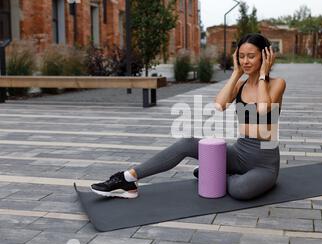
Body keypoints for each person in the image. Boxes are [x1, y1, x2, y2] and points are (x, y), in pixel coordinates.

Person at [91, 33, 286, 200]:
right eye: (241, 56)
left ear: (265, 56)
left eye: (251, 56)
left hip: (264, 164)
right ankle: (128, 178)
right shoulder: (240, 85)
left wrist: (262, 75)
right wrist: (235, 73)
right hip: (239, 153)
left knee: (239, 190)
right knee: (187, 143)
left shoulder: (277, 83)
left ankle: (212, 173)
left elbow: (262, 110)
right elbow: (219, 105)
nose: (245, 61)